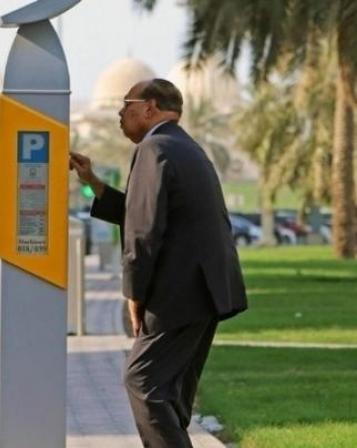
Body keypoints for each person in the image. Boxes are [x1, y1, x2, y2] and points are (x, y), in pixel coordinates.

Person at [69, 78, 248, 447]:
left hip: (180, 293)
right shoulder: (181, 146)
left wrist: (134, 295)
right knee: (170, 392)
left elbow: (143, 232)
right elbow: (143, 213)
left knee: (144, 381)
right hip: (204, 290)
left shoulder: (155, 148)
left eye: (126, 106)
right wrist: (92, 183)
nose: (120, 114)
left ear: (148, 107)